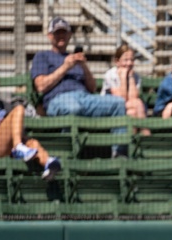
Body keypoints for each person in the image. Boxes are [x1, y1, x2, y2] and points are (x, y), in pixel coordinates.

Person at [30, 17, 127, 156]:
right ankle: (67, 156)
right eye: (57, 33)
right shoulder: (42, 56)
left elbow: (92, 88)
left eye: (64, 32)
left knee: (118, 103)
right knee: (73, 108)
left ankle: (119, 156)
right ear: (50, 35)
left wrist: (83, 66)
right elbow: (40, 86)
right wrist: (65, 67)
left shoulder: (74, 58)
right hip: (58, 100)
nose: (61, 36)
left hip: (85, 97)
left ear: (69, 35)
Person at [0, 70, 62, 180]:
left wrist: (9, 125)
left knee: (32, 142)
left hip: (9, 143)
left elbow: (18, 123)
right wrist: (6, 125)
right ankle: (18, 147)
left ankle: (49, 163)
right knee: (19, 109)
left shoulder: (0, 104)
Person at [101, 44, 147, 123]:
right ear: (117, 61)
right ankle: (146, 133)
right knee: (138, 103)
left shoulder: (135, 76)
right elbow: (122, 100)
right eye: (126, 60)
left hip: (129, 108)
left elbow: (134, 98)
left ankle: (134, 135)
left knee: (132, 113)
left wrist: (130, 77)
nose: (129, 63)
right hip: (110, 108)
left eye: (132, 60)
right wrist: (123, 77)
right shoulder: (110, 74)